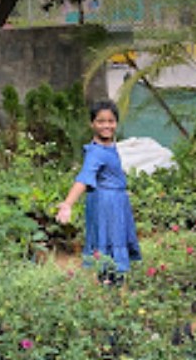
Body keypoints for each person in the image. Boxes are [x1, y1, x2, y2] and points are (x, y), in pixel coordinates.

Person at [56, 100, 141, 278]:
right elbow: (84, 178)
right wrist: (68, 204)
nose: (106, 126)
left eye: (111, 121)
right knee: (109, 243)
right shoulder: (96, 153)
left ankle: (112, 288)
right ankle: (111, 289)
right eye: (101, 121)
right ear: (92, 124)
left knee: (109, 243)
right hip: (106, 205)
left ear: (116, 123)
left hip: (115, 201)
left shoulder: (108, 147)